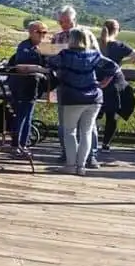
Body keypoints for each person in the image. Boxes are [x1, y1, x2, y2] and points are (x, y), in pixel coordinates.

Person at [46, 29, 120, 176]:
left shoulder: (65, 55)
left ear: (72, 39)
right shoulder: (94, 55)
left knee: (70, 132)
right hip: (94, 98)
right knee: (86, 132)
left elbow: (49, 64)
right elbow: (114, 67)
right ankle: (81, 167)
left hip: (72, 97)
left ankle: (70, 165)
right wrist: (104, 83)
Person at [49, 5, 101, 167]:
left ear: (74, 19)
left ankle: (90, 156)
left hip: (86, 86)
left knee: (87, 127)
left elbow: (99, 58)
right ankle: (67, 154)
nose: (64, 24)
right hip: (64, 86)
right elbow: (50, 60)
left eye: (67, 21)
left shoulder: (86, 34)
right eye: (61, 21)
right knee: (65, 124)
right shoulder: (57, 37)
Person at [95, 19, 135, 151]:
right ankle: (106, 144)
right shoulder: (119, 46)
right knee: (112, 115)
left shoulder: (95, 43)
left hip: (96, 82)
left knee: (93, 114)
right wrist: (120, 63)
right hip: (114, 83)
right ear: (117, 31)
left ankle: (90, 141)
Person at [7, 21, 49, 157]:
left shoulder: (43, 47)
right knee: (22, 116)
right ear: (31, 32)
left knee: (28, 116)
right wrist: (38, 69)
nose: (42, 35)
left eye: (45, 32)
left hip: (33, 87)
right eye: (39, 32)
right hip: (22, 86)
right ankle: (16, 145)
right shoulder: (25, 47)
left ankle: (23, 144)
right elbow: (20, 66)